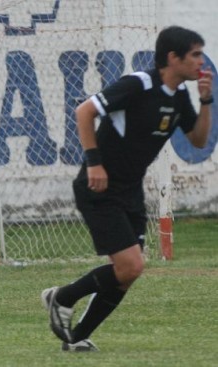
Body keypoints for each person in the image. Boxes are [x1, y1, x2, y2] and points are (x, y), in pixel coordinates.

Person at [41, 26, 213, 351]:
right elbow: (84, 111)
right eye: (195, 54)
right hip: (99, 188)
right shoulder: (139, 84)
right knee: (131, 266)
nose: (201, 62)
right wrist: (93, 162)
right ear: (173, 58)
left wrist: (206, 99)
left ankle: (75, 339)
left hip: (130, 192)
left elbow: (199, 139)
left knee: (127, 273)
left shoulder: (179, 98)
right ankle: (61, 298)